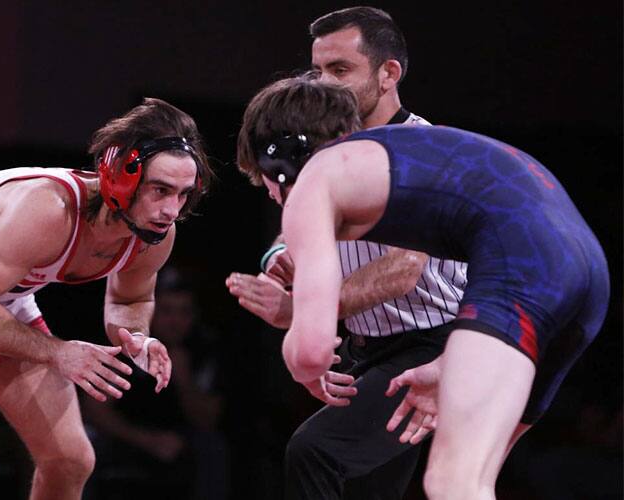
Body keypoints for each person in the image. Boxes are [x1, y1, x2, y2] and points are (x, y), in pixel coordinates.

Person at [235, 76, 609, 500]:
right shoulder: (393, 149)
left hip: (522, 264)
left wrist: (304, 358)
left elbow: (311, 351)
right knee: (478, 476)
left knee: (452, 483)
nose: (276, 200)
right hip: (584, 264)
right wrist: (451, 358)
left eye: (268, 187)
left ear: (278, 160)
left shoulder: (315, 178)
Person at [0, 97, 213, 500]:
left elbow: (130, 302)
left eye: (183, 195)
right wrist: (58, 352)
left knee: (71, 459)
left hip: (2, 293)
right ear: (122, 178)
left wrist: (137, 338)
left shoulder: (155, 237)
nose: (170, 210)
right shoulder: (50, 210)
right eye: (160, 190)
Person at [226, 7, 466, 499]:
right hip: (367, 345)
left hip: (434, 341)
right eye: (317, 70)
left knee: (314, 452)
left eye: (340, 70)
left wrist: (301, 310)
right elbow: (300, 223)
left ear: (388, 74)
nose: (324, 83)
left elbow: (403, 269)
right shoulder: (327, 143)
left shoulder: (419, 147)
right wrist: (277, 256)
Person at [82, 266, 227, 500]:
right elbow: (94, 409)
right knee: (86, 442)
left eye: (184, 312)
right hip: (127, 435)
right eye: (167, 311)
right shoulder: (123, 342)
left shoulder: (203, 348)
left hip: (178, 438)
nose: (175, 321)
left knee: (212, 447)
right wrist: (147, 440)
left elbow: (208, 419)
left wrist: (183, 376)